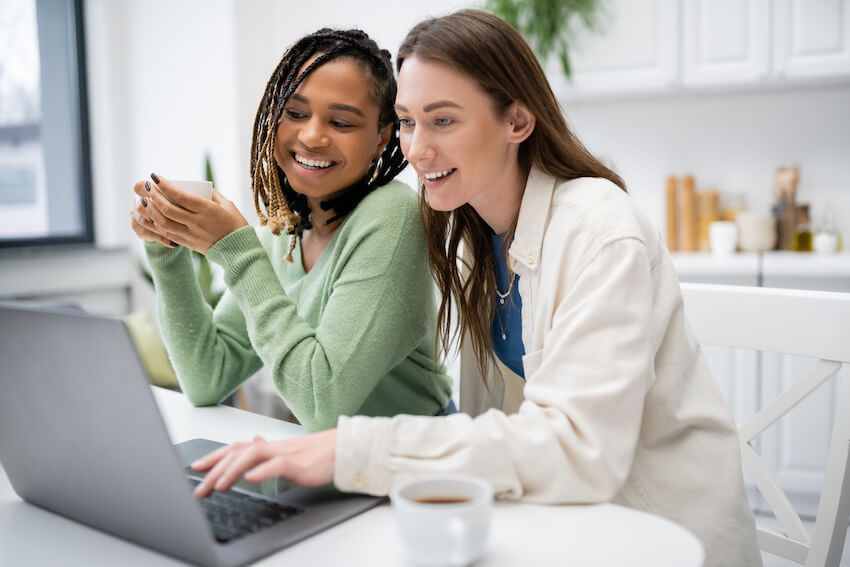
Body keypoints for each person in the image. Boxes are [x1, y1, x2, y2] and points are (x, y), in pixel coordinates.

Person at [190, 11, 761, 566]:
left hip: (659, 539)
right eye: (409, 122)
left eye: (443, 121)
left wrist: (349, 449)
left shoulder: (599, 230)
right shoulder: (466, 232)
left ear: (517, 121)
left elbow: (578, 451)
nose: (415, 150)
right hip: (555, 524)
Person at [129, 28, 454, 432]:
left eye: (340, 122)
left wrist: (236, 252)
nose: (312, 136)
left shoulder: (394, 214)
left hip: (413, 466)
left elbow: (322, 404)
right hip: (330, 467)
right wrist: (166, 245)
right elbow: (206, 377)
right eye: (296, 114)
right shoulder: (284, 233)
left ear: (381, 138)